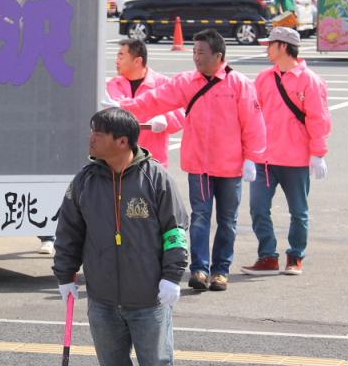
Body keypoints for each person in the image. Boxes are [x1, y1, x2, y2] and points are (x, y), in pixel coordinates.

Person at [53, 108, 188, 366]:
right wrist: (64, 274)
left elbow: (176, 230)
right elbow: (68, 231)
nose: (91, 138)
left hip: (148, 297)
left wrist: (172, 276)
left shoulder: (156, 179)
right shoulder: (84, 181)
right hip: (102, 298)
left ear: (122, 141)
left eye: (98, 133)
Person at [110, 29, 265, 292]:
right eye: (194, 51)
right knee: (200, 217)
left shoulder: (239, 84)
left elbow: (253, 123)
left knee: (227, 220)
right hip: (200, 164)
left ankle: (221, 271)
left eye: (201, 52)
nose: (196, 57)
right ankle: (200, 270)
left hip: (230, 166)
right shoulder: (186, 81)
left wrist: (252, 158)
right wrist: (125, 106)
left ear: (218, 55)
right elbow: (156, 99)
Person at [241, 27, 331, 277]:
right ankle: (268, 257)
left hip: (296, 159)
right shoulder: (264, 78)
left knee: (298, 212)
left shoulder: (309, 80)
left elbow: (318, 119)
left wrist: (318, 153)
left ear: (283, 46)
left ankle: (296, 256)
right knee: (258, 208)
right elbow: (251, 115)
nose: (267, 49)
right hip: (264, 159)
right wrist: (248, 153)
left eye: (270, 45)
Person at [104, 39, 185, 169]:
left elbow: (181, 114)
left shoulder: (163, 83)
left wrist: (166, 118)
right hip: (120, 162)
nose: (117, 61)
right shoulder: (114, 84)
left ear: (137, 61)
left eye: (121, 56)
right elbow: (117, 110)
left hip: (153, 163)